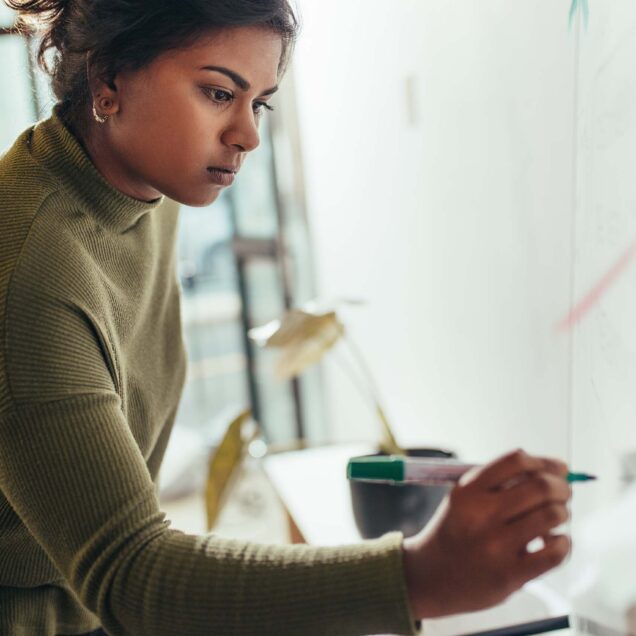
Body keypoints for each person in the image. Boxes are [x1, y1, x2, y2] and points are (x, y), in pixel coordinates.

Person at [0, 1, 572, 634]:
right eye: (219, 92)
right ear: (108, 80)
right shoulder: (32, 268)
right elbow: (130, 572)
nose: (247, 136)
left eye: (261, 103)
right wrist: (419, 576)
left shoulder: (146, 187)